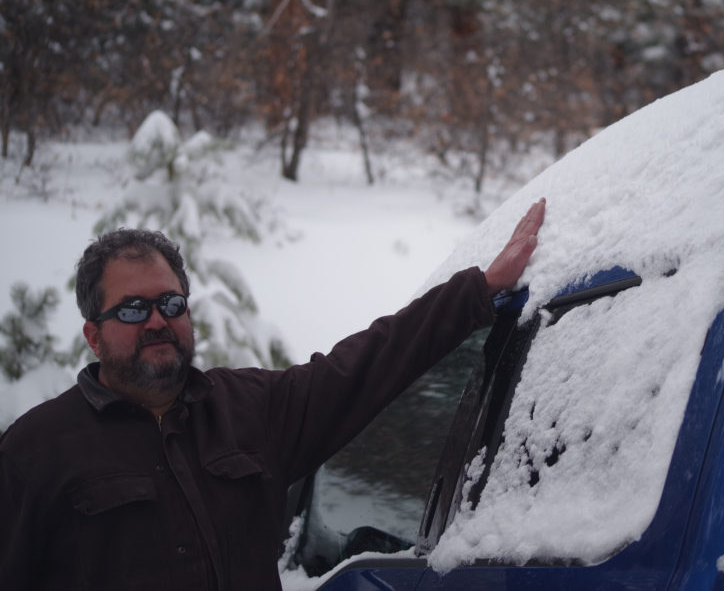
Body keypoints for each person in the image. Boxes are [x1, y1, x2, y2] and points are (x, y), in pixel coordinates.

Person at [0, 198, 546, 591]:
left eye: (170, 303)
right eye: (133, 309)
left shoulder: (249, 410)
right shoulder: (35, 452)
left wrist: (479, 289)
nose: (157, 322)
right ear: (93, 334)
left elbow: (366, 365)